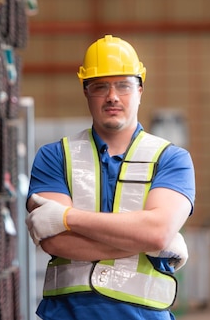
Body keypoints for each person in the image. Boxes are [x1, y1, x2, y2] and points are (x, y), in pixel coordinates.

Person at [26, 35, 196, 320]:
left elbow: (157, 233)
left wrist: (66, 217)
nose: (113, 96)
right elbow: (55, 242)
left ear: (140, 90)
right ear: (86, 92)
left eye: (123, 86)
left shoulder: (171, 159)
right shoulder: (54, 157)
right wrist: (145, 240)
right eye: (100, 86)